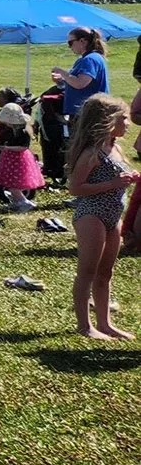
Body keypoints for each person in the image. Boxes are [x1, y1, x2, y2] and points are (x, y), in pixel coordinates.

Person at [64, 94, 140, 341]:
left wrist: (130, 178)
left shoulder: (115, 148)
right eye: (123, 118)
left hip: (113, 215)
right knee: (87, 271)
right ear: (107, 120)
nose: (128, 123)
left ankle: (105, 323)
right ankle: (84, 325)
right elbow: (75, 188)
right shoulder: (92, 152)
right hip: (92, 214)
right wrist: (112, 183)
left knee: (105, 273)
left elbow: (117, 177)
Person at [0, 91, 43, 212]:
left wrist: (7, 148)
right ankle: (16, 202)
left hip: (17, 159)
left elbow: (23, 147)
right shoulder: (10, 130)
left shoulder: (23, 132)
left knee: (13, 184)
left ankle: (23, 202)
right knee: (9, 183)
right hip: (10, 158)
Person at [55, 27, 112, 128]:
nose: (69, 47)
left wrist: (62, 73)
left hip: (88, 113)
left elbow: (80, 83)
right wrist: (61, 81)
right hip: (87, 111)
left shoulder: (90, 59)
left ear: (82, 41)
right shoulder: (87, 59)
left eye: (70, 43)